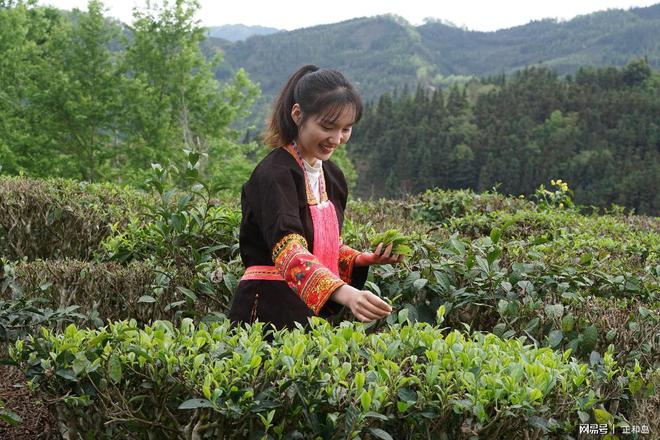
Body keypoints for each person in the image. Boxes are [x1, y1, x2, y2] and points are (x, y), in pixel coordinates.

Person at [228, 64, 405, 331]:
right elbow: (289, 251)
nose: (337, 138)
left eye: (346, 129)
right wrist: (347, 294)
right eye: (328, 126)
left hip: (309, 313)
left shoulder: (332, 177)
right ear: (298, 114)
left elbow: (320, 246)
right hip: (265, 309)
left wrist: (360, 259)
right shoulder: (274, 174)